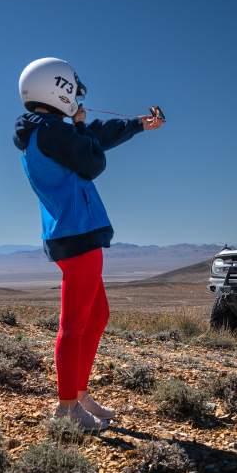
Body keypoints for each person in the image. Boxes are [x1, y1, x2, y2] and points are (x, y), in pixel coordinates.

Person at [13, 57, 164, 430]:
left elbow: (93, 138)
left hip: (70, 233)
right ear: (59, 89)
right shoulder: (53, 133)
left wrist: (137, 125)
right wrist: (80, 126)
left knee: (97, 316)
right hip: (77, 235)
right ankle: (67, 408)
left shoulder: (44, 132)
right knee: (74, 325)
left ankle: (79, 394)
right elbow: (92, 161)